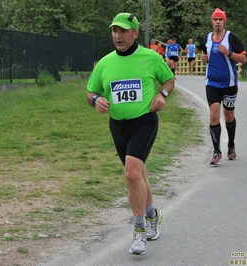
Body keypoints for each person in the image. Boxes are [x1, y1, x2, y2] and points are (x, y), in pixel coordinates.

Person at [86, 12, 174, 255]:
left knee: (131, 173)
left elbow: (168, 81)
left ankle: (138, 232)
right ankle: (152, 214)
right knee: (139, 175)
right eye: (115, 30)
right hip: (118, 125)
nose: (118, 35)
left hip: (144, 122)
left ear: (135, 33)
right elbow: (90, 92)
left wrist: (161, 95)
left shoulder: (150, 57)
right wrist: (96, 100)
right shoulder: (104, 63)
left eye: (123, 31)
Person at [201, 8, 247, 165]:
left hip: (229, 84)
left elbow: (244, 59)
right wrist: (204, 59)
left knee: (228, 115)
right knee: (214, 115)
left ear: (224, 22)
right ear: (212, 21)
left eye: (220, 20)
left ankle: (231, 145)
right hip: (212, 83)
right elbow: (204, 57)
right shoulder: (206, 38)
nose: (218, 22)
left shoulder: (231, 38)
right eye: (215, 20)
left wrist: (228, 53)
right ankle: (216, 151)